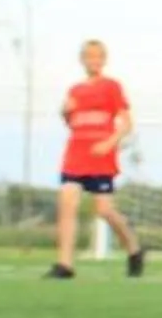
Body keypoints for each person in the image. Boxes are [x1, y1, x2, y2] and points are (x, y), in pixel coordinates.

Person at [48, 39, 145, 280]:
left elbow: (126, 123)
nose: (93, 61)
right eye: (89, 56)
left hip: (100, 157)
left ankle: (134, 249)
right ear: (82, 60)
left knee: (104, 210)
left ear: (103, 60)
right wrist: (64, 112)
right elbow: (72, 123)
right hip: (76, 154)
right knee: (67, 204)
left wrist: (109, 143)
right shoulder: (75, 90)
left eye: (98, 57)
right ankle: (65, 264)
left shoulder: (111, 87)